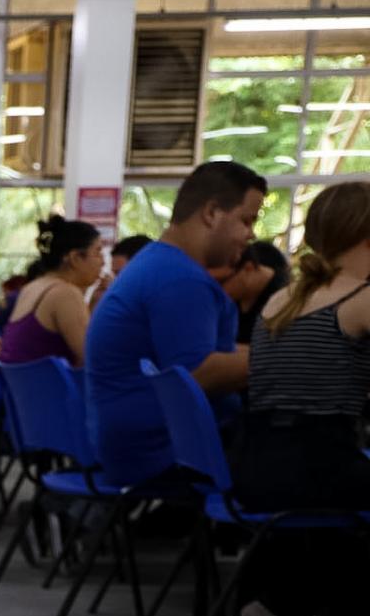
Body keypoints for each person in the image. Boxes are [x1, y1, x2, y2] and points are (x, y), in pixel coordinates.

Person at [225, 181, 370, 616]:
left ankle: (278, 605)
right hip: (319, 465)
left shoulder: (283, 298)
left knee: (337, 526)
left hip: (257, 466)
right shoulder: (361, 295)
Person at [83, 161, 265, 487]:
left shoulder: (157, 264)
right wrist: (292, 359)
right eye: (246, 220)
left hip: (129, 446)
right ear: (211, 213)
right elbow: (199, 371)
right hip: (162, 456)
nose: (250, 234)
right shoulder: (181, 280)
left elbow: (210, 354)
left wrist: (266, 352)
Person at [0, 215, 105, 366]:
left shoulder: (33, 287)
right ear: (75, 258)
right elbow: (96, 360)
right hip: (48, 388)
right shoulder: (65, 293)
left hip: (22, 389)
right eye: (98, 252)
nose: (103, 261)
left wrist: (94, 304)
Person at [217, 240, 291, 344]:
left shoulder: (287, 301)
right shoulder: (233, 299)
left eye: (221, 282)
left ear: (248, 269)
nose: (216, 288)